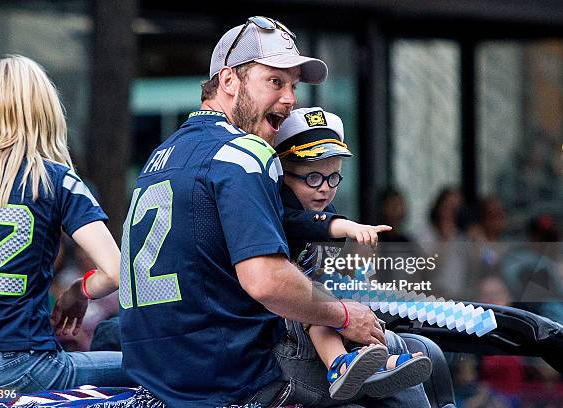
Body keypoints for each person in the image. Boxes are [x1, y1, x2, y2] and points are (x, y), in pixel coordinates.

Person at [119, 16, 430, 407]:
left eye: (294, 86)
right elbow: (266, 281)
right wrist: (345, 315)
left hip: (161, 375)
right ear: (229, 81)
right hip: (233, 378)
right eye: (275, 82)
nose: (291, 99)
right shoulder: (245, 152)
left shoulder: (161, 156)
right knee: (411, 347)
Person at [0, 55, 132, 394]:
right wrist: (77, 291)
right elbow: (117, 271)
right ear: (45, 111)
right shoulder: (55, 178)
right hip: (22, 369)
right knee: (149, 367)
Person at [274, 107, 432, 400]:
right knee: (317, 301)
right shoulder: (278, 209)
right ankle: (339, 364)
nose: (324, 189)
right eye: (312, 178)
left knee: (347, 307)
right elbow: (303, 225)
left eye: (333, 178)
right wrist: (345, 226)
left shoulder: (325, 209)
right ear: (283, 175)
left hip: (329, 310)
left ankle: (375, 360)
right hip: (295, 329)